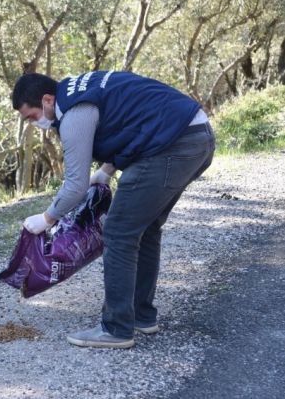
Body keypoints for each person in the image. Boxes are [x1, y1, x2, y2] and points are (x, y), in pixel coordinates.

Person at [11, 71, 215, 348]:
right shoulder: (81, 88)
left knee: (118, 233)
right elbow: (132, 122)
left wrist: (47, 219)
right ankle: (141, 316)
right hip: (196, 135)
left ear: (47, 100)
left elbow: (75, 185)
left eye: (33, 117)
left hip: (173, 145)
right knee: (146, 226)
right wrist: (106, 170)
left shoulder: (73, 113)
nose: (37, 124)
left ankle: (117, 328)